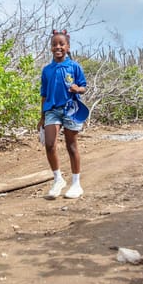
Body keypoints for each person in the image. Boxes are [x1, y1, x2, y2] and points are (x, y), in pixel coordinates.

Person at [38, 29, 87, 199]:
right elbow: (43, 94)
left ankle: (76, 183)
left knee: (71, 146)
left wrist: (77, 89)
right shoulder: (47, 70)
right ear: (51, 48)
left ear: (68, 47)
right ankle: (58, 179)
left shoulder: (74, 67)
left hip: (71, 109)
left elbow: (83, 87)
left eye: (61, 44)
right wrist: (42, 117)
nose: (57, 47)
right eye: (54, 44)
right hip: (52, 110)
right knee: (50, 144)